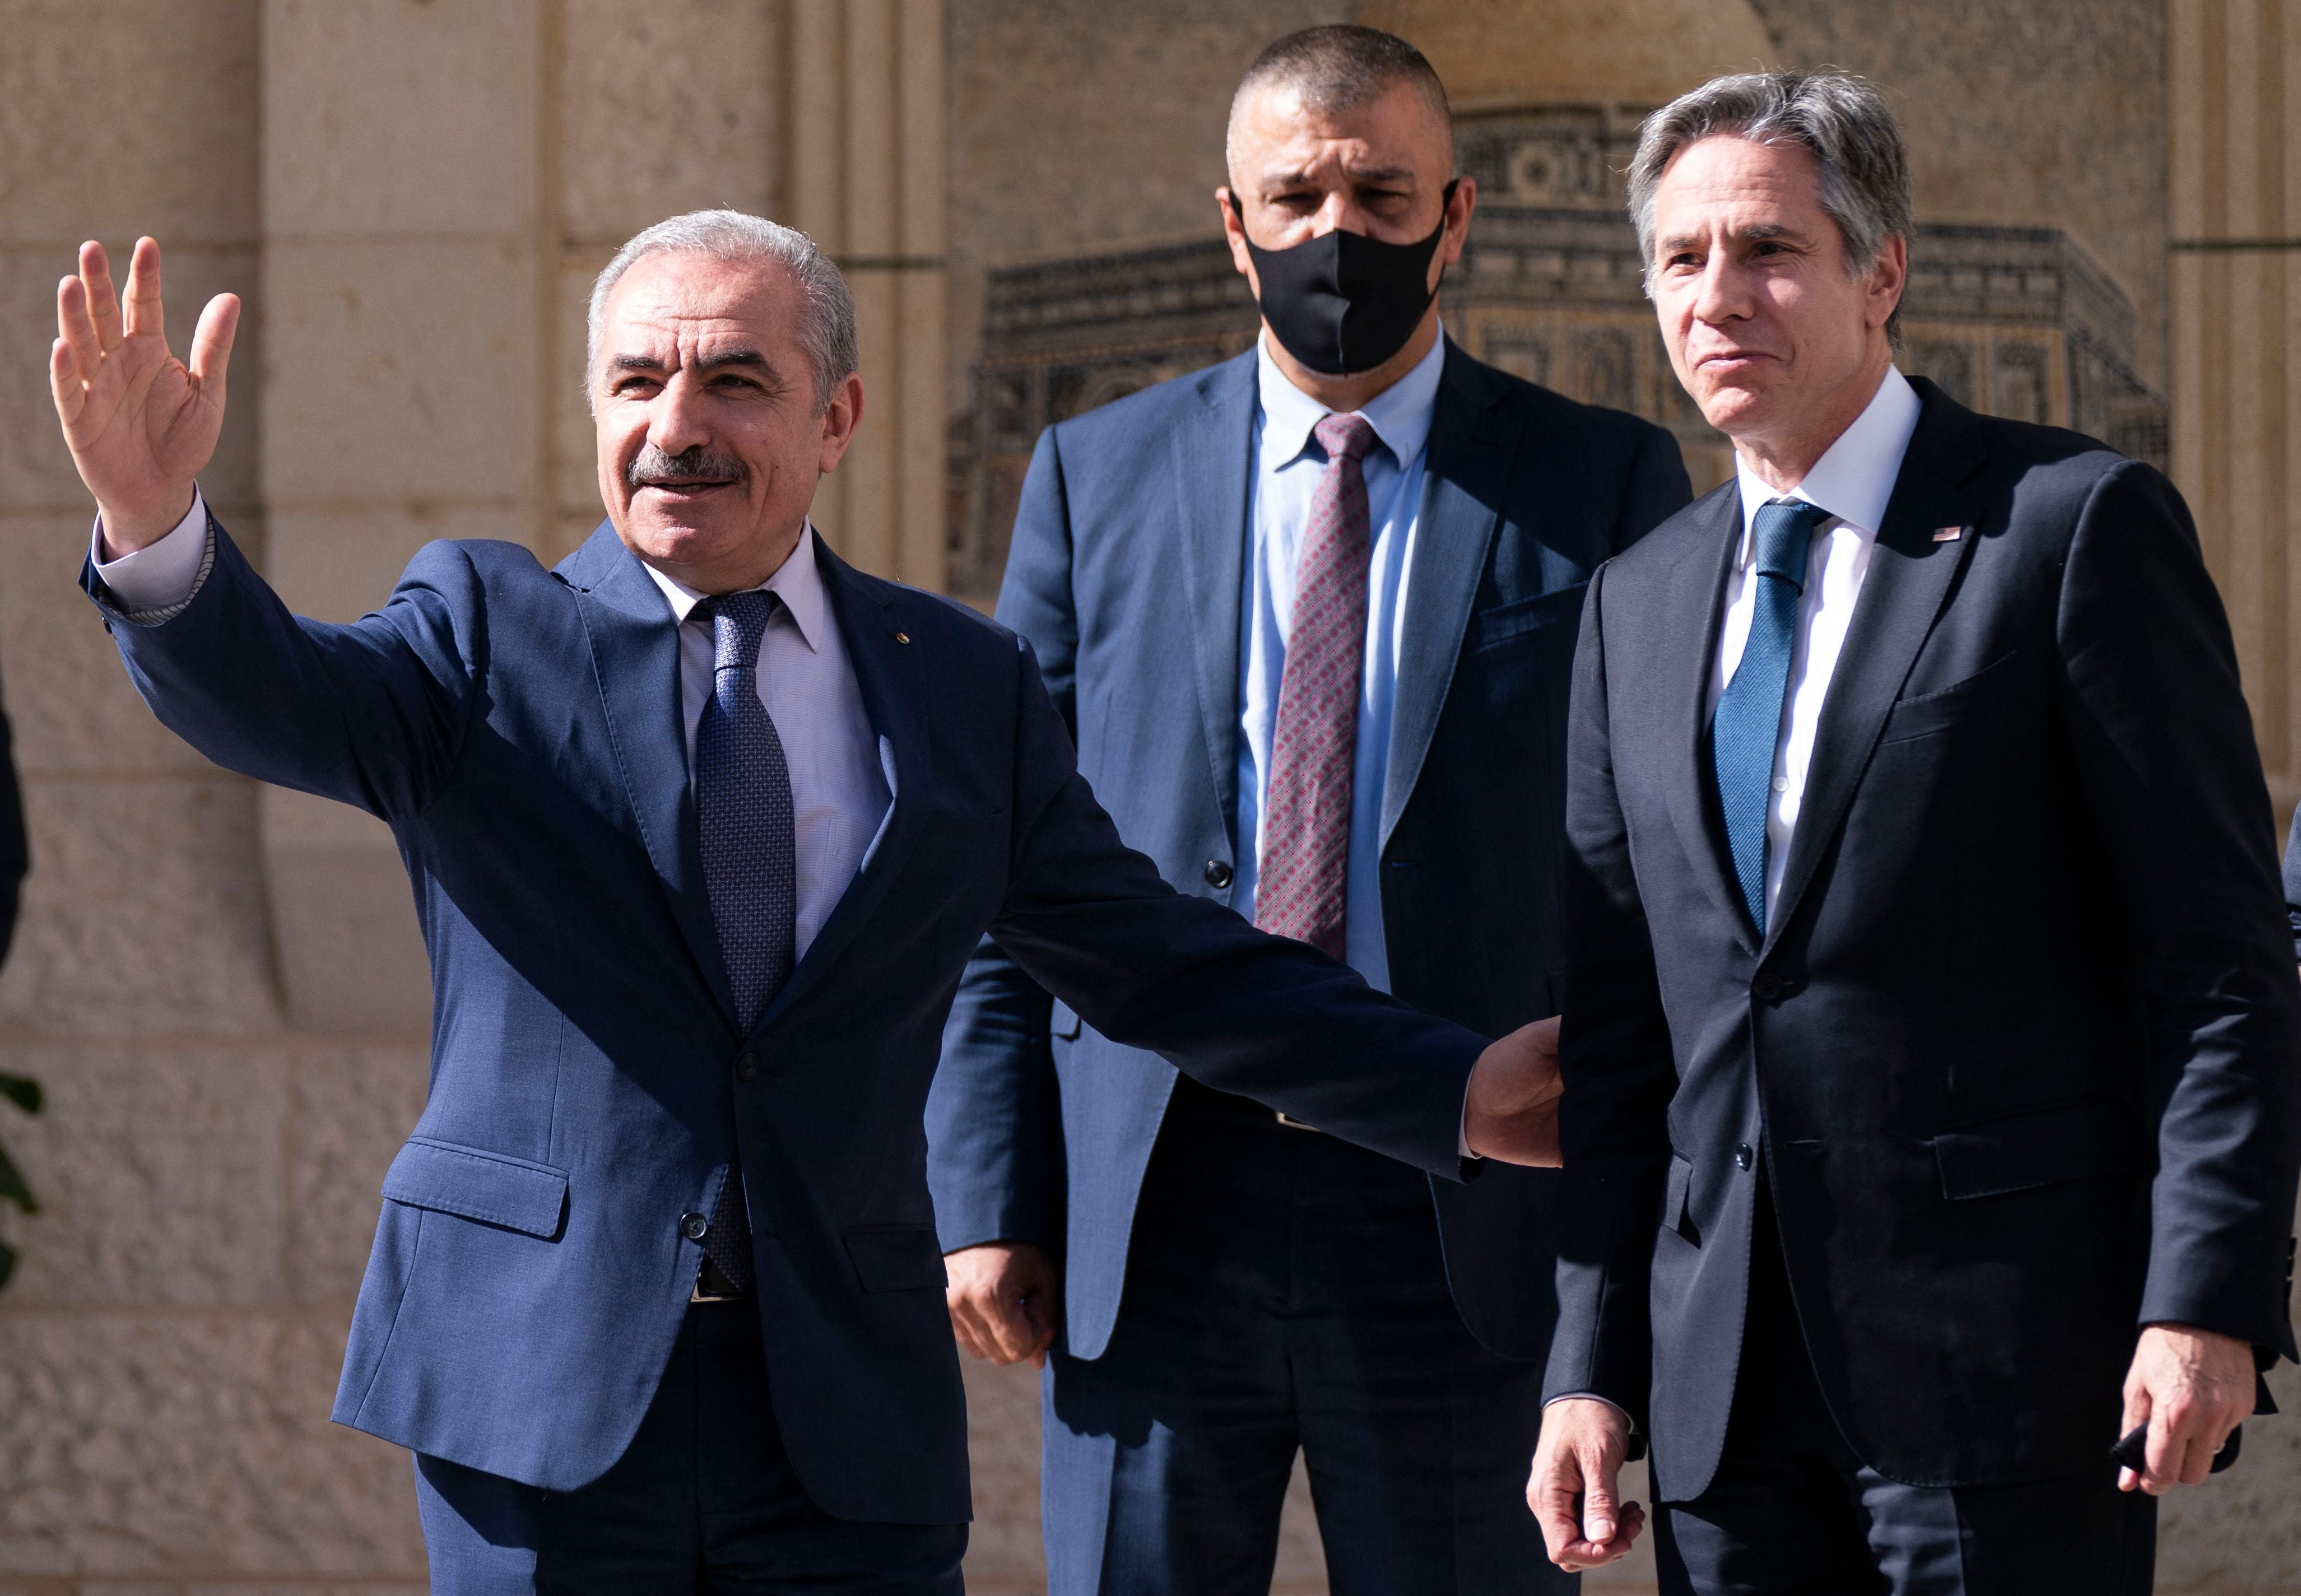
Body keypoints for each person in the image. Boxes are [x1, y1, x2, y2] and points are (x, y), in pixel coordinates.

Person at [48, 214, 1566, 1594]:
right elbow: (280, 698)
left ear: (837, 416)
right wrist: (155, 528)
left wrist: (1451, 1087)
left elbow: (1159, 962)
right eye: (637, 381)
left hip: (840, 1412)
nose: (674, 426)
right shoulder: (482, 634)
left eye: (734, 383)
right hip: (545, 1396)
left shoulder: (958, 687)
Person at [927, 26, 1688, 1596]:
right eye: (1295, 198)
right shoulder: (1093, 474)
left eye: (1379, 195)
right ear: (1234, 222)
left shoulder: (1598, 480)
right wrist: (983, 1186)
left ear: (1452, 216)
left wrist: (1622, 1251)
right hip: (1156, 1192)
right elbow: (1004, 857)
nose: (1335, 234)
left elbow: (1652, 881)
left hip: (1463, 1204)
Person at [1526, 72, 2301, 1594]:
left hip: (2000, 1376)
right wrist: (1587, 1363)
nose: (1716, 296)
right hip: (1720, 1404)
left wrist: (2202, 1294)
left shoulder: (2067, 528)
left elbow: (2215, 963)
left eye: (1765, 250)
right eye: (1679, 260)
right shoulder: (1637, 599)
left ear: (1879, 272)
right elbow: (1627, 1039)